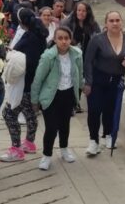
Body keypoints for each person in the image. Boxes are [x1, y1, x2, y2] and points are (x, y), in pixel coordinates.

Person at [83, 11, 125, 156]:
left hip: (116, 81)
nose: (115, 23)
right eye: (111, 21)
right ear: (106, 23)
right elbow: (88, 61)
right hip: (97, 80)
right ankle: (93, 141)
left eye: (117, 20)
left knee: (110, 110)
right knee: (95, 110)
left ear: (121, 22)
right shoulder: (97, 40)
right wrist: (88, 82)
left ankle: (108, 135)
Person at [0, 9, 48, 163]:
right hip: (34, 82)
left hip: (24, 83)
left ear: (21, 22)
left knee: (9, 114)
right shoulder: (40, 35)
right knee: (30, 113)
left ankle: (16, 149)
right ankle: (29, 143)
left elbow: (18, 56)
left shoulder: (28, 37)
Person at [31, 27, 83, 170]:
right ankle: (46, 155)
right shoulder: (48, 57)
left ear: (70, 39)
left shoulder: (77, 54)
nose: (64, 41)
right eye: (60, 38)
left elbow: (80, 72)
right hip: (52, 96)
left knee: (65, 125)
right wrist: (34, 100)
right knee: (51, 128)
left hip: (68, 95)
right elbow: (38, 79)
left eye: (66, 38)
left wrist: (82, 88)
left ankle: (64, 149)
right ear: (54, 40)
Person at [62, 1, 101, 113]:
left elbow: (98, 39)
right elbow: (62, 37)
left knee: (80, 79)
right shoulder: (68, 22)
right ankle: (70, 104)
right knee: (71, 78)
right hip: (71, 55)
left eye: (84, 11)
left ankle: (76, 102)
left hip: (87, 56)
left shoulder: (93, 24)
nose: (81, 13)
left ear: (87, 12)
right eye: (79, 10)